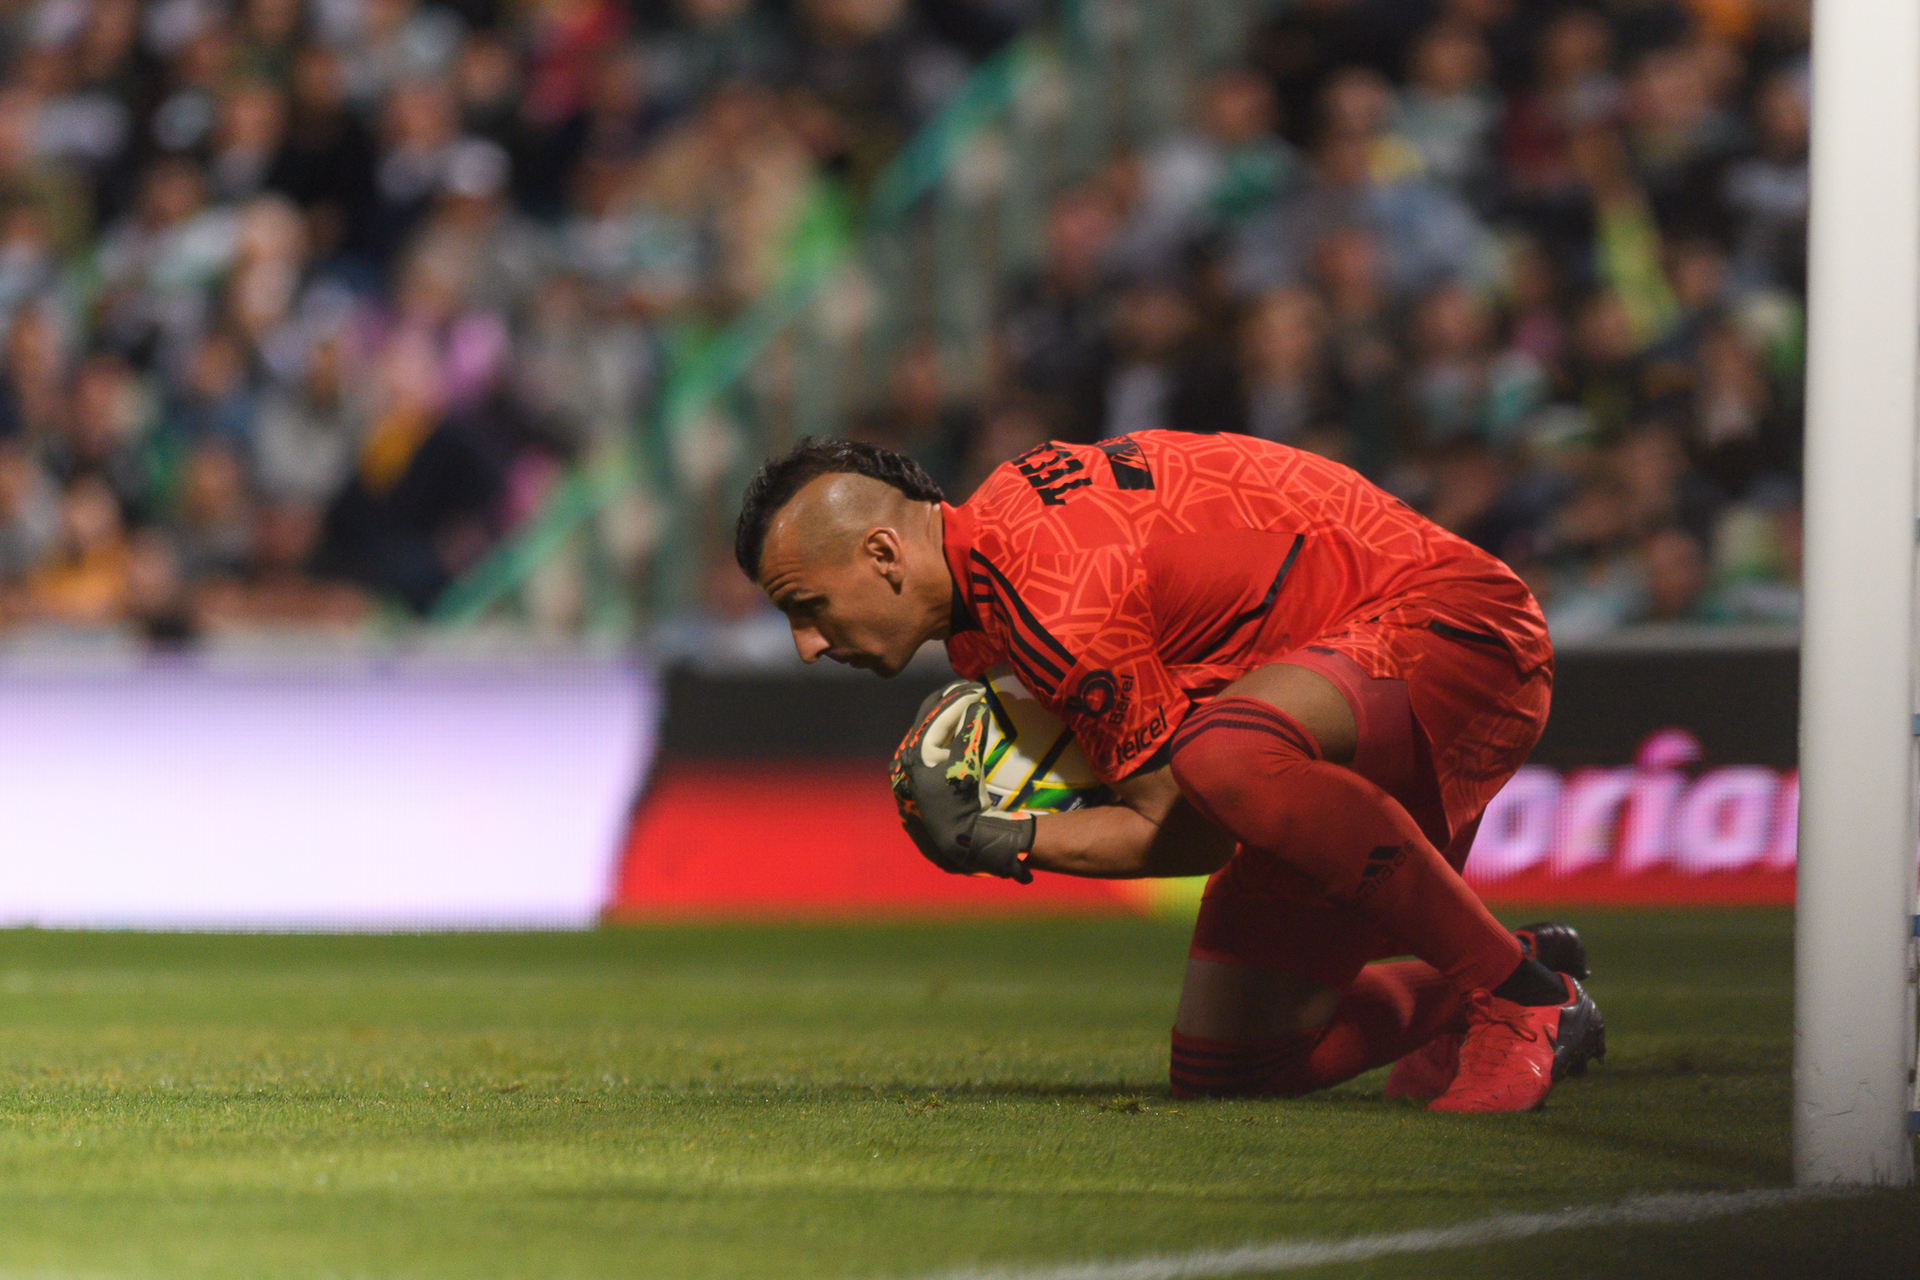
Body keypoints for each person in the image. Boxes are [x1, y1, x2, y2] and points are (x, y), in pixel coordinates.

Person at [732, 431, 1603, 1113]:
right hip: (1330, 685)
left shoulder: (1045, 593)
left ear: (883, 556)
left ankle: (1522, 998)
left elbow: (1187, 831)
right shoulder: (999, 570)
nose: (808, 647)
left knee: (1223, 758)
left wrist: (998, 840)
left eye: (806, 608)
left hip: (1456, 626)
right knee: (1231, 1069)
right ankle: (1493, 968)